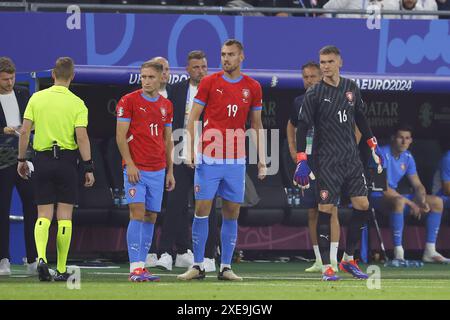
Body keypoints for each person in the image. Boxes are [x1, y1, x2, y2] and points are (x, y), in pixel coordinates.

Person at [177, 39, 266, 281]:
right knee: (202, 210)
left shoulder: (253, 87)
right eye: (223, 54)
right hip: (209, 158)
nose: (225, 58)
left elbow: (256, 124)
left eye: (231, 54)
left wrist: (262, 159)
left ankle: (225, 266)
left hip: (236, 161)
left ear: (241, 57)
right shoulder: (209, 82)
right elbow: (193, 118)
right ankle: (197, 265)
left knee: (231, 212)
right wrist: (191, 149)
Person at [294, 45, 383, 281]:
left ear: (340, 62)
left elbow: (361, 118)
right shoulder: (314, 93)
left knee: (363, 205)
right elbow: (302, 126)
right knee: (325, 209)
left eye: (329, 62)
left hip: (351, 158)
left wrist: (373, 145)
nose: (325, 66)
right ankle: (326, 267)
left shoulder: (350, 87)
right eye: (322, 62)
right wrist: (301, 158)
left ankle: (348, 259)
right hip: (327, 161)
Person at [17, 57, 95, 282]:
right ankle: (61, 269)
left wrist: (22, 159)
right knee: (64, 217)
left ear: (53, 74)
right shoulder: (78, 103)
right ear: (72, 76)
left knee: (43, 214)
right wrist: (88, 166)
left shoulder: (36, 98)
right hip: (67, 162)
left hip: (42, 160)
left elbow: (24, 131)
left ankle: (41, 258)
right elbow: (81, 136)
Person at [155, 50, 219, 272]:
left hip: (209, 151)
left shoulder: (216, 88)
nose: (200, 71)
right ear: (187, 69)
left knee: (208, 205)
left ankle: (209, 255)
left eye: (203, 67)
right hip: (181, 150)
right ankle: (165, 253)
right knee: (174, 203)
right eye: (195, 67)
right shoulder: (176, 90)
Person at [116, 60, 175, 282]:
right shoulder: (128, 101)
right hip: (136, 170)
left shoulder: (166, 105)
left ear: (161, 78)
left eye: (151, 77)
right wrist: (129, 163)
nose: (147, 81)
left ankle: (142, 266)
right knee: (137, 213)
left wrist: (170, 171)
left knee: (151, 216)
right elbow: (120, 136)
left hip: (158, 169)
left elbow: (168, 140)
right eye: (144, 77)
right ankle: (135, 267)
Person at [286, 61, 340, 273]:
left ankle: (333, 259)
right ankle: (319, 260)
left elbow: (354, 127)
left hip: (330, 162)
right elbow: (291, 125)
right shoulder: (299, 102)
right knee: (312, 212)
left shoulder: (335, 99)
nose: (309, 81)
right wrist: (294, 153)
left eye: (313, 76)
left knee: (331, 210)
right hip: (307, 163)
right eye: (305, 77)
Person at [370, 124, 449, 263]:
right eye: (401, 137)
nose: (404, 141)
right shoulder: (380, 154)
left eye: (407, 138)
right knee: (400, 201)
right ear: (393, 138)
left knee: (437, 202)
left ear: (411, 140)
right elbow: (383, 188)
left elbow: (417, 184)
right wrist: (411, 203)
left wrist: (422, 199)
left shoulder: (407, 156)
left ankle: (430, 251)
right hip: (377, 197)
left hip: (396, 197)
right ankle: (398, 253)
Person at [0, 57, 38, 276]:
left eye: (12, 78)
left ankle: (32, 259)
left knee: (32, 206)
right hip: (2, 158)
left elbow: (34, 122)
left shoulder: (24, 93)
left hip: (24, 157)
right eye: (5, 79)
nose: (9, 82)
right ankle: (3, 259)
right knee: (2, 209)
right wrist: (3, 130)